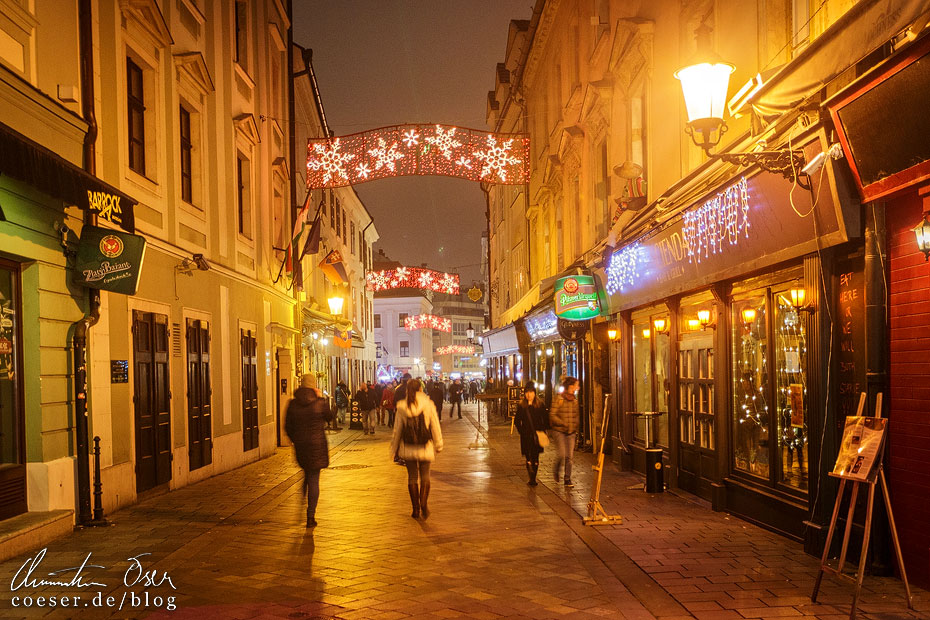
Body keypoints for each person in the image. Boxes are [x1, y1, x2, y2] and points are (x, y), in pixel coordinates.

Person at [284, 374, 333, 527]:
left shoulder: (292, 404)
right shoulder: (319, 403)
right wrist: (321, 399)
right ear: (313, 386)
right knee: (314, 479)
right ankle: (310, 516)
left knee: (307, 472)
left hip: (301, 446)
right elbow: (330, 417)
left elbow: (287, 426)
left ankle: (302, 499)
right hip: (317, 446)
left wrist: (295, 440)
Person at [390, 379, 443, 518]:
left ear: (407, 390)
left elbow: (397, 430)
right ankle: (424, 502)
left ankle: (416, 509)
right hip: (425, 446)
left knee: (412, 477)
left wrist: (393, 448)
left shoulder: (402, 406)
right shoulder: (428, 404)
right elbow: (435, 426)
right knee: (425, 476)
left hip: (408, 447)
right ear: (421, 389)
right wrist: (438, 444)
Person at [514, 383, 549, 486]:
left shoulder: (540, 405)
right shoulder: (522, 406)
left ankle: (534, 478)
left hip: (537, 435)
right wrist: (521, 431)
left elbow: (545, 419)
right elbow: (517, 421)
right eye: (527, 392)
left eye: (531, 392)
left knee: (536, 456)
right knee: (528, 457)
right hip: (526, 435)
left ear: (535, 393)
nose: (529, 395)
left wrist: (543, 431)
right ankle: (531, 477)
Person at [549, 376, 580, 487]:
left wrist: (575, 426)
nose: (578, 388)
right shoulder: (559, 398)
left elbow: (576, 416)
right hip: (559, 431)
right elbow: (552, 414)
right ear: (571, 386)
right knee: (562, 454)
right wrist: (563, 423)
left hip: (571, 432)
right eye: (577, 385)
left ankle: (567, 478)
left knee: (569, 457)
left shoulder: (575, 401)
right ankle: (556, 468)